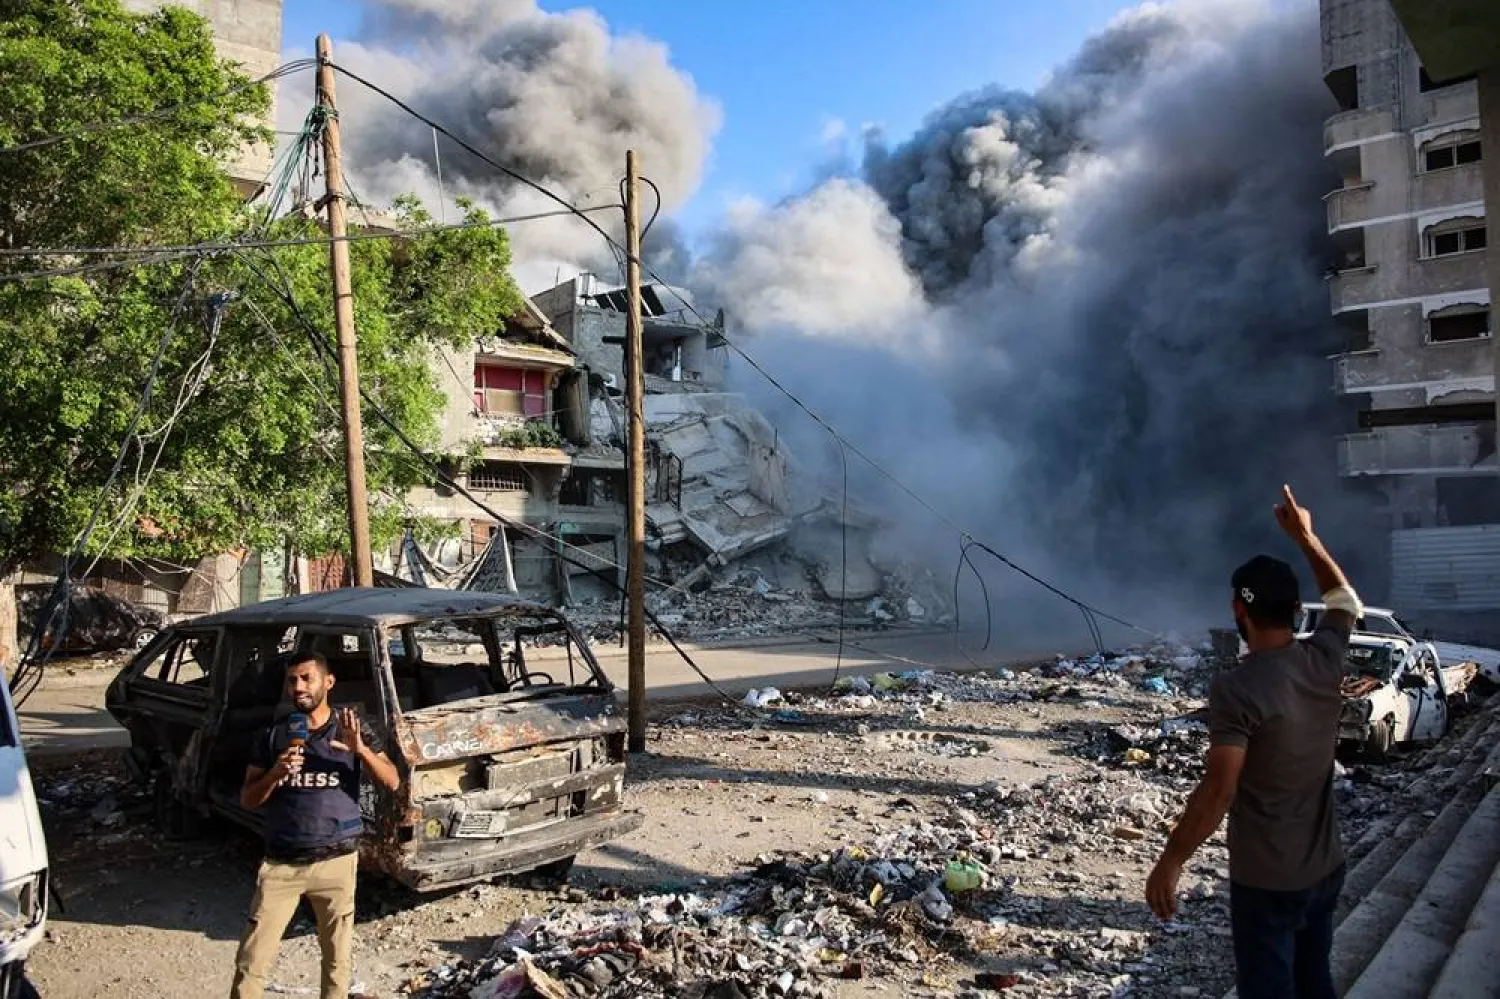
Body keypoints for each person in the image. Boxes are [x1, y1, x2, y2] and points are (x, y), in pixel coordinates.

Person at [1146, 485, 1362, 999]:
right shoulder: (1325, 656)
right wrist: (1307, 538)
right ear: (1295, 610)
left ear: (1238, 611)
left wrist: (1172, 859)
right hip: (1325, 869)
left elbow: (1219, 790)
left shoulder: (1237, 688)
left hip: (1267, 883)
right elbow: (1346, 601)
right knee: (1316, 983)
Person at [230, 651, 401, 999]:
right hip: (282, 865)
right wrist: (276, 773)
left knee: (337, 961)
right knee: (252, 961)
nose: (299, 687)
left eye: (307, 678)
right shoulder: (274, 736)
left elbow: (393, 781)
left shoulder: (353, 729)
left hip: (336, 862)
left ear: (329, 682)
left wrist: (361, 752)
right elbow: (248, 798)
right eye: (293, 680)